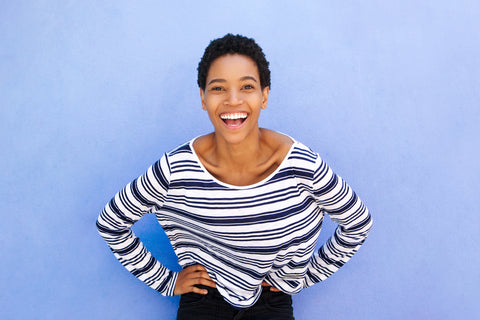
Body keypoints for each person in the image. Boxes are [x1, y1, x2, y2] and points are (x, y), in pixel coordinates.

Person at [97, 33, 372, 320]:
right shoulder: (175, 169)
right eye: (218, 88)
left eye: (247, 87)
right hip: (203, 303)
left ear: (264, 95)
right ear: (203, 98)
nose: (233, 100)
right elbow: (111, 223)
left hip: (272, 304)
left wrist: (304, 277)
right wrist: (167, 281)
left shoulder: (301, 165)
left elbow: (358, 224)